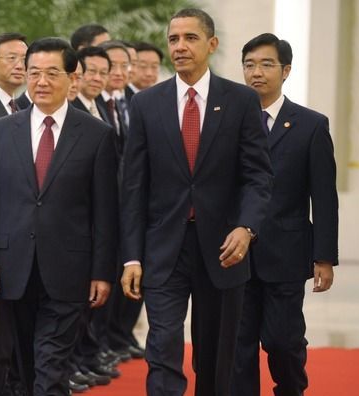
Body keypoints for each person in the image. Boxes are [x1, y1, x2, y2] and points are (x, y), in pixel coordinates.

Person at [120, 8, 273, 395]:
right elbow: (134, 186)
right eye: (174, 39)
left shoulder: (240, 101)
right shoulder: (145, 105)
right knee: (163, 346)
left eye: (190, 38)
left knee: (216, 355)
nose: (180, 46)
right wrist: (132, 256)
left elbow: (258, 175)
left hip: (223, 248)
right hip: (163, 248)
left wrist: (247, 226)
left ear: (212, 44)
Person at [0, 37, 118, 396]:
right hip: (12, 267)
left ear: (72, 78)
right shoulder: (1, 131)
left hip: (70, 270)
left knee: (51, 366)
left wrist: (102, 271)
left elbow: (106, 211)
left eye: (52, 73)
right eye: (34, 72)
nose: (41, 81)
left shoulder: (96, 135)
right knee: (22, 368)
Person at [231, 33, 338, 396]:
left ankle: (291, 390)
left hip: (287, 254)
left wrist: (324, 256)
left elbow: (324, 197)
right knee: (238, 347)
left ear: (286, 70)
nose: (256, 72)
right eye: (249, 64)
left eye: (266, 64)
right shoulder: (228, 122)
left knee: (282, 341)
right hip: (235, 254)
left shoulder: (310, 125)